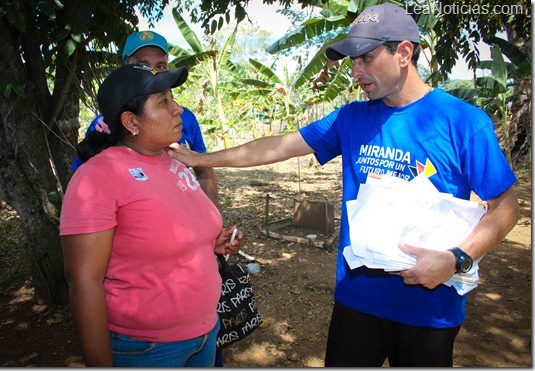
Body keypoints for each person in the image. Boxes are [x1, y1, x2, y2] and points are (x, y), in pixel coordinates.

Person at [169, 3, 520, 367]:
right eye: (353, 61)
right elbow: (278, 146)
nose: (356, 72)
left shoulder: (463, 122)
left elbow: (506, 207)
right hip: (357, 301)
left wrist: (455, 259)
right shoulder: (351, 118)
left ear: (403, 52)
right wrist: (200, 159)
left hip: (430, 307)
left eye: (366, 58)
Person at [60, 64, 243, 367]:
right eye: (163, 102)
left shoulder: (173, 159)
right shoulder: (98, 177)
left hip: (205, 333)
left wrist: (211, 243)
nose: (178, 108)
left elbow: (162, 235)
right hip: (147, 349)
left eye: (173, 98)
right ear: (131, 121)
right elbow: (83, 282)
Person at [71, 30, 219, 205]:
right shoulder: (104, 124)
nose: (153, 72)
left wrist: (211, 217)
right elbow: (85, 185)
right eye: (143, 64)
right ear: (130, 122)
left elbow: (204, 170)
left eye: (160, 66)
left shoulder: (184, 118)